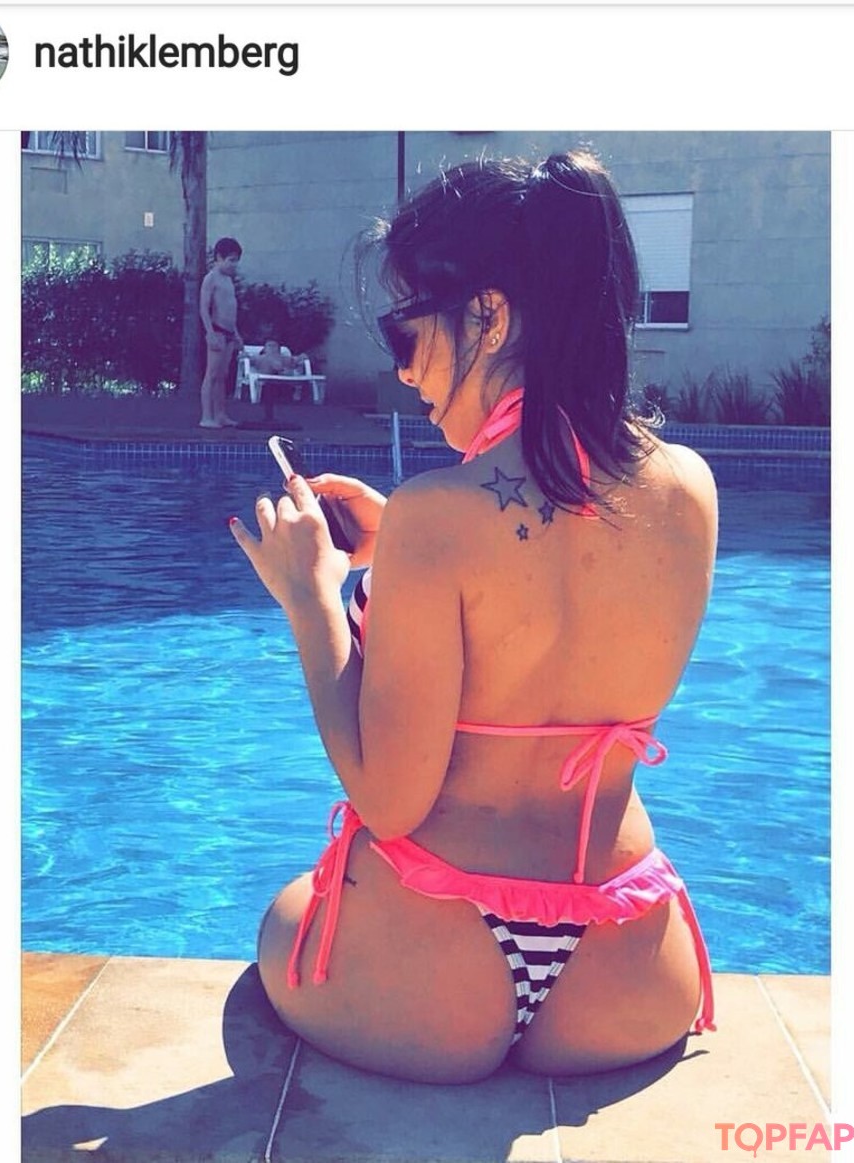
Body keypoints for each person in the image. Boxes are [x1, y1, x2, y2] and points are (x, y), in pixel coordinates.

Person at [229, 151, 719, 1084]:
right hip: (629, 966)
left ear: (489, 316)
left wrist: (312, 599)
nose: (404, 368)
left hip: (437, 972)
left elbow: (389, 799)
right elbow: (554, 592)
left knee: (282, 924)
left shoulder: (439, 518)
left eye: (406, 331)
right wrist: (405, 551)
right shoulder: (688, 489)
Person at [199, 237, 243, 429]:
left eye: (236, 261)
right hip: (217, 331)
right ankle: (206, 416)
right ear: (219, 257)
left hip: (229, 332)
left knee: (222, 376)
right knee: (211, 374)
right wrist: (209, 332)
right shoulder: (211, 278)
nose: (234, 265)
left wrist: (236, 334)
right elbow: (204, 308)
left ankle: (220, 414)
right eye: (231, 260)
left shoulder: (228, 280)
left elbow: (230, 309)